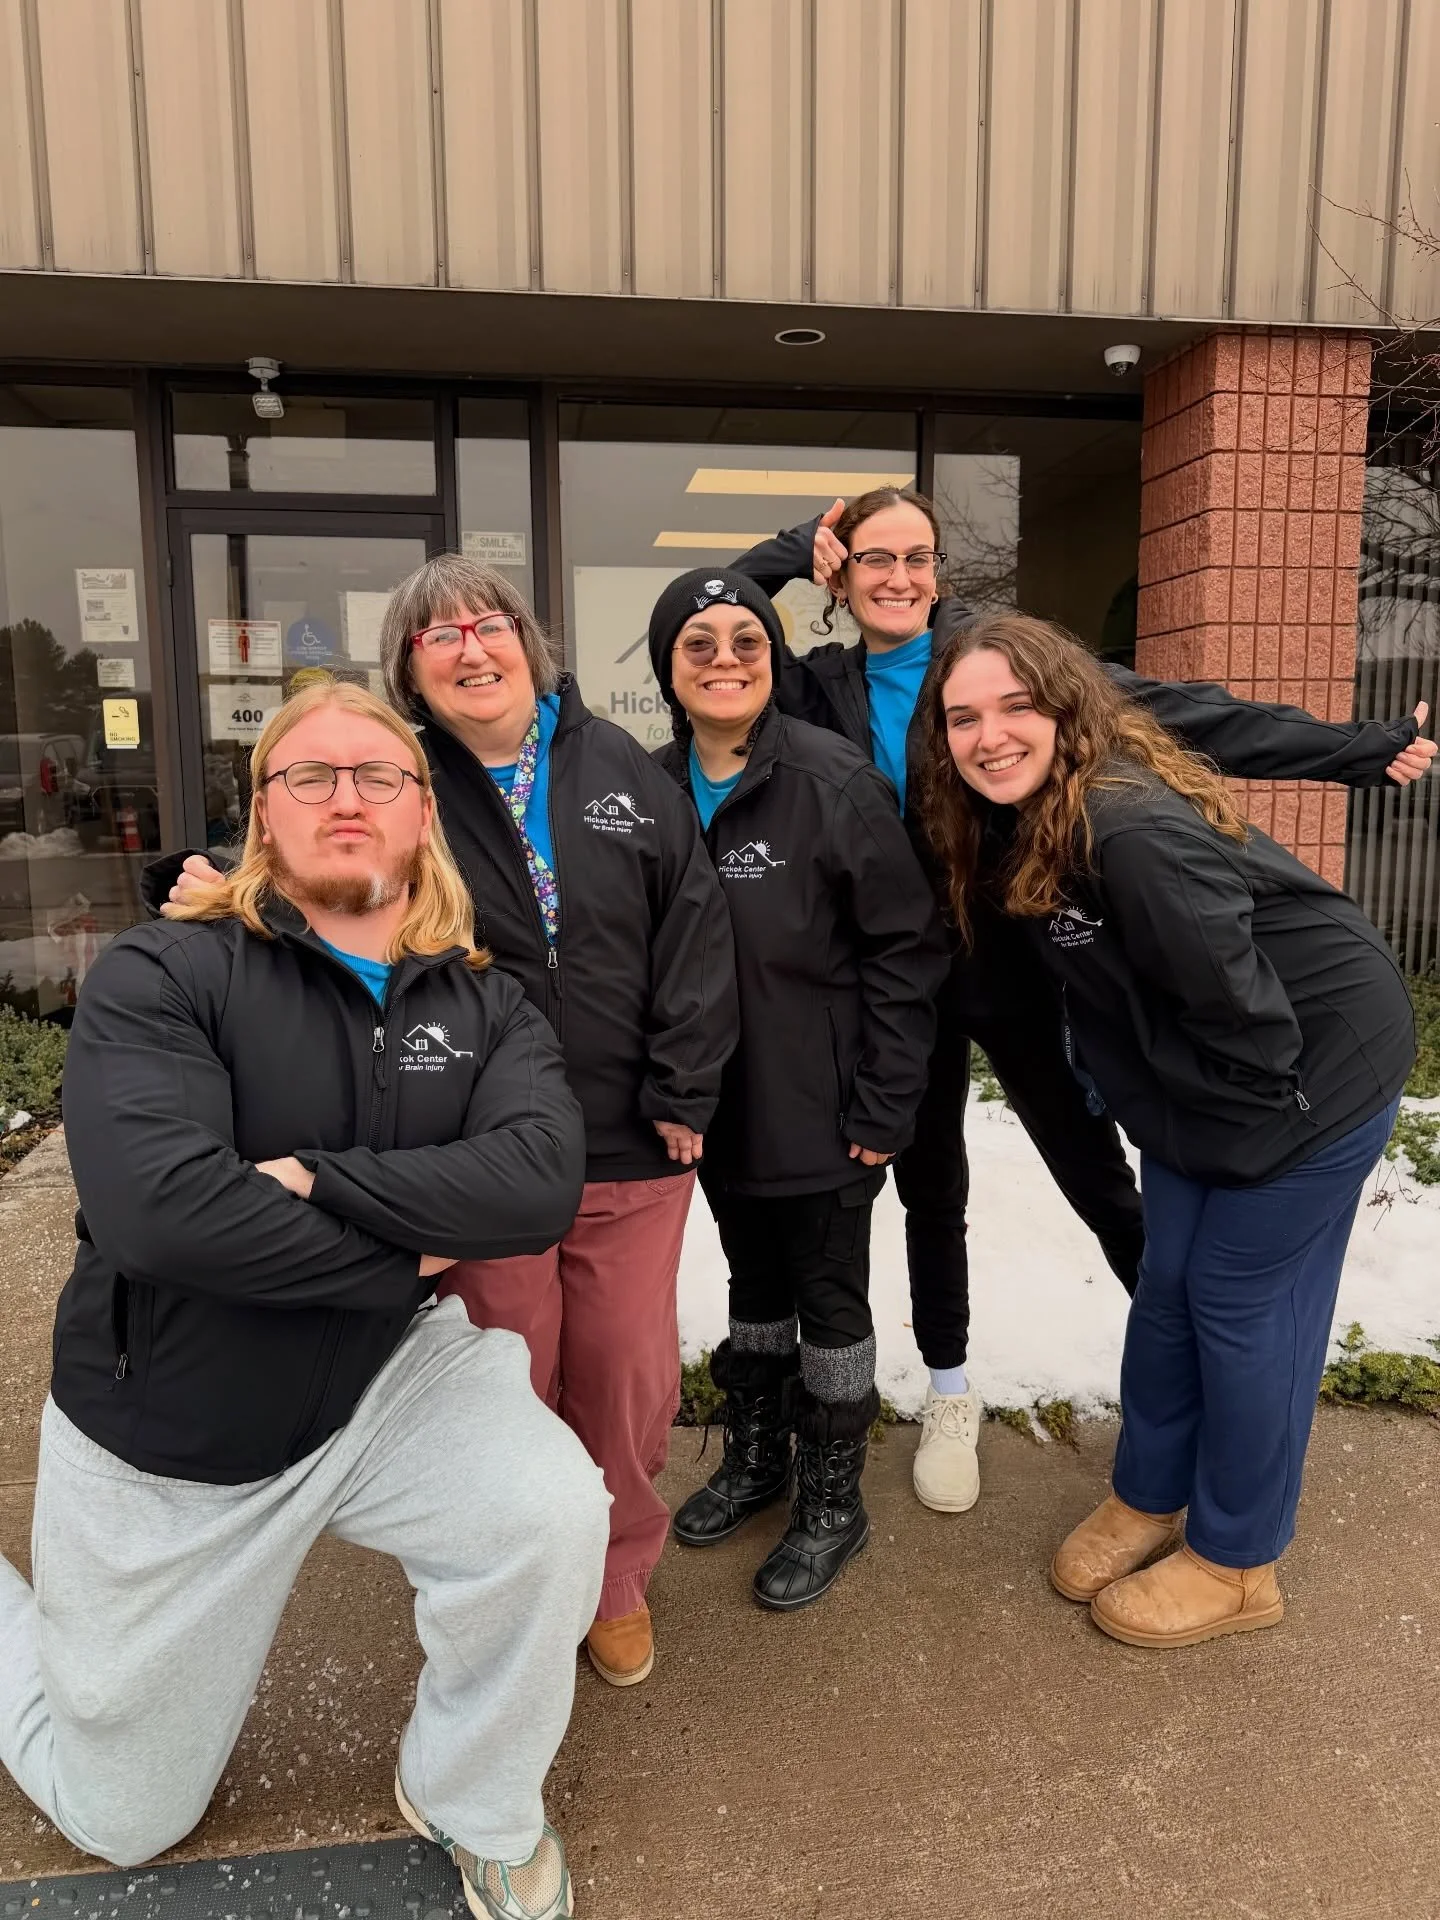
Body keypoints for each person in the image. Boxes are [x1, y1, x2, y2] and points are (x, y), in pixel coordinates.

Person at [0, 680, 608, 1920]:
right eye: (310, 775)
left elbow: (539, 1185)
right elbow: (163, 1215)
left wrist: (324, 1180)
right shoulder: (167, 971)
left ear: (421, 814)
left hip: (392, 1379)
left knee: (548, 1509)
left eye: (378, 776)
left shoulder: (486, 1002)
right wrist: (413, 1250)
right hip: (176, 1432)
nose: (347, 798)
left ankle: (471, 1798)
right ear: (263, 814)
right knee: (123, 1819)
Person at [735, 490, 1436, 1517]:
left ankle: (1206, 1393)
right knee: (934, 1195)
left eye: (918, 556)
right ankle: (950, 1393)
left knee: (1100, 1181)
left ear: (940, 569)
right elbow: (721, 616)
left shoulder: (999, 664)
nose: (898, 577)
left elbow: (1187, 712)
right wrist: (798, 547)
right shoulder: (814, 688)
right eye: (871, 558)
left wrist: (1347, 750)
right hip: (896, 991)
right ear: (840, 575)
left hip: (1029, 967)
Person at [162, 557, 736, 1692]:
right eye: (439, 638)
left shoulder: (618, 766)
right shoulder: (396, 784)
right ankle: (517, 1574)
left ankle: (615, 1573)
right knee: (505, 1374)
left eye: (491, 625)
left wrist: (687, 1085)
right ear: (411, 674)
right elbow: (315, 884)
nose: (473, 649)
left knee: (625, 1378)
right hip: (471, 1146)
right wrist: (209, 894)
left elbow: (697, 926)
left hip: (631, 1144)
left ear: (528, 641)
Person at [918, 614, 1415, 1647]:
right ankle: (1150, 1494)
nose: (990, 735)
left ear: (1068, 707)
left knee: (1240, 1311)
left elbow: (1248, 1018)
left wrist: (1230, 1141)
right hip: (1211, 1079)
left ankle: (1239, 1561)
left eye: (1015, 707)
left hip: (1307, 1069)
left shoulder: (1128, 827)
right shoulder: (1017, 817)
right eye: (964, 717)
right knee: (1171, 1293)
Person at [647, 569, 948, 1609]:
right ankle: (760, 1460)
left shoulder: (833, 782)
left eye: (747, 641)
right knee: (752, 1293)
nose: (725, 659)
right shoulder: (645, 793)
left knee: (828, 1306)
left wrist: (885, 1102)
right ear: (668, 669)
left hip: (824, 1113)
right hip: (713, 1116)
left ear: (774, 661)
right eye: (699, 645)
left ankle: (834, 1500)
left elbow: (907, 950)